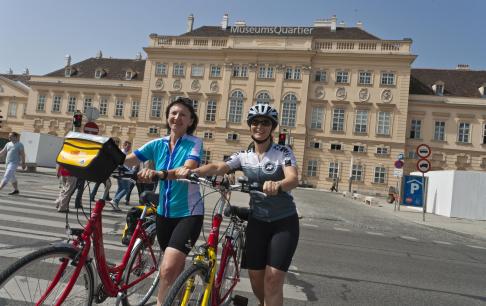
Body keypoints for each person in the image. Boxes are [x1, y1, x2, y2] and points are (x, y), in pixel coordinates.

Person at [176, 104, 300, 306]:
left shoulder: (282, 152)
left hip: (283, 222)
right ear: (250, 126)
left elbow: (293, 178)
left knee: (273, 278)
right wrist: (195, 172)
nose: (260, 126)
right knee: (255, 277)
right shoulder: (244, 156)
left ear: (272, 127)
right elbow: (219, 166)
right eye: (255, 122)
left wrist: (277, 185)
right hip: (257, 221)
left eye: (265, 123)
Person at [122, 97, 203, 305]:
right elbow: (129, 159)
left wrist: (158, 173)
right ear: (167, 117)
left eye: (183, 114)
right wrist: (101, 159)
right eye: (174, 113)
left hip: (189, 214)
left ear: (191, 121)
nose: (177, 117)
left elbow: (188, 166)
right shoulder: (157, 144)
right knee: (172, 267)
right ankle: (177, 297)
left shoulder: (194, 143)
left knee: (167, 269)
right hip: (164, 214)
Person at [109, 141, 134, 210]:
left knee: (120, 188)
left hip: (120, 172)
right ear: (124, 145)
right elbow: (121, 164)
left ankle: (115, 203)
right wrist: (129, 171)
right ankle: (115, 200)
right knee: (127, 189)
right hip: (123, 173)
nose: (129, 148)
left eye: (130, 147)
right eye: (128, 146)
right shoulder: (122, 153)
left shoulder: (124, 153)